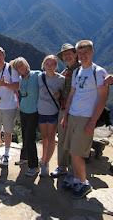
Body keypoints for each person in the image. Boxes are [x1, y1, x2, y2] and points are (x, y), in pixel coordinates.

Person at [61, 40, 109, 199]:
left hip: (86, 117)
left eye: (85, 52)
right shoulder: (77, 72)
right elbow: (71, 95)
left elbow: (103, 98)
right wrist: (66, 116)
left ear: (92, 52)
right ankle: (75, 179)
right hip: (73, 115)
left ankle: (84, 183)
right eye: (80, 53)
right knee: (70, 150)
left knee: (77, 153)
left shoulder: (98, 72)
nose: (83, 56)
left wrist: (93, 121)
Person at [50, 43, 80, 181]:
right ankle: (62, 167)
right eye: (64, 55)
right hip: (64, 109)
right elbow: (67, 90)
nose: (67, 56)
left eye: (69, 53)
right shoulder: (66, 72)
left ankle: (73, 172)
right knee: (62, 139)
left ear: (75, 54)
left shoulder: (82, 70)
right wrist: (59, 94)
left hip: (78, 111)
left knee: (75, 142)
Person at [10, 57, 40, 176]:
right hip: (23, 110)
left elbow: (50, 78)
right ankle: (25, 157)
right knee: (24, 135)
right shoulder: (20, 79)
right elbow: (15, 88)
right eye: (18, 67)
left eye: (21, 65)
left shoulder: (36, 75)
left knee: (29, 138)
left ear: (26, 64)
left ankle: (34, 166)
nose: (20, 68)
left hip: (34, 111)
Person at [38, 55, 64, 176]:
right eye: (47, 64)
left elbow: (67, 94)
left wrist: (60, 94)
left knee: (51, 137)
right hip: (41, 112)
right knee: (44, 137)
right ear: (43, 65)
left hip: (53, 112)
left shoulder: (60, 79)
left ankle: (46, 164)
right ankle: (43, 158)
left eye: (52, 64)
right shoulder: (40, 76)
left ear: (56, 66)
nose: (49, 66)